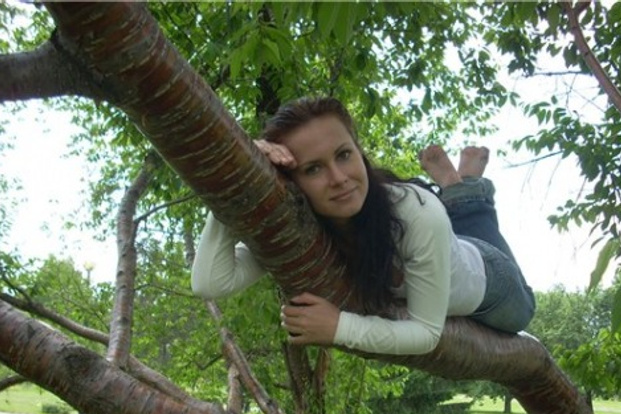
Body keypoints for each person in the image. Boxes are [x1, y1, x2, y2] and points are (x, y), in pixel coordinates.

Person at [191, 97, 534, 356]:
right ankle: (458, 189)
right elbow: (210, 282)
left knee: (523, 307)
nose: (339, 178)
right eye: (313, 169)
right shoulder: (300, 223)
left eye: (344, 155)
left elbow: (427, 334)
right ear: (292, 181)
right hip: (443, 245)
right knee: (453, 230)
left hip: (490, 280)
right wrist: (238, 183)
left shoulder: (416, 212)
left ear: (360, 151)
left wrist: (339, 327)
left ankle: (464, 187)